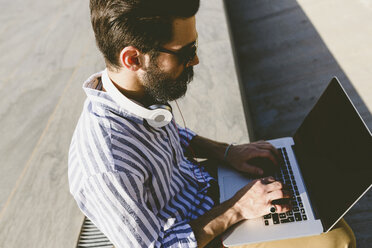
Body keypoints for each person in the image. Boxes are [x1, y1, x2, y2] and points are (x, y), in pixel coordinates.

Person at [68, 0, 356, 247]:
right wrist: (239, 207)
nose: (195, 59)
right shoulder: (105, 165)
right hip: (200, 234)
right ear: (133, 58)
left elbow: (170, 135)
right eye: (184, 51)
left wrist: (226, 152)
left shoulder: (129, 92)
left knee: (310, 190)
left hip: (203, 187)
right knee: (336, 240)